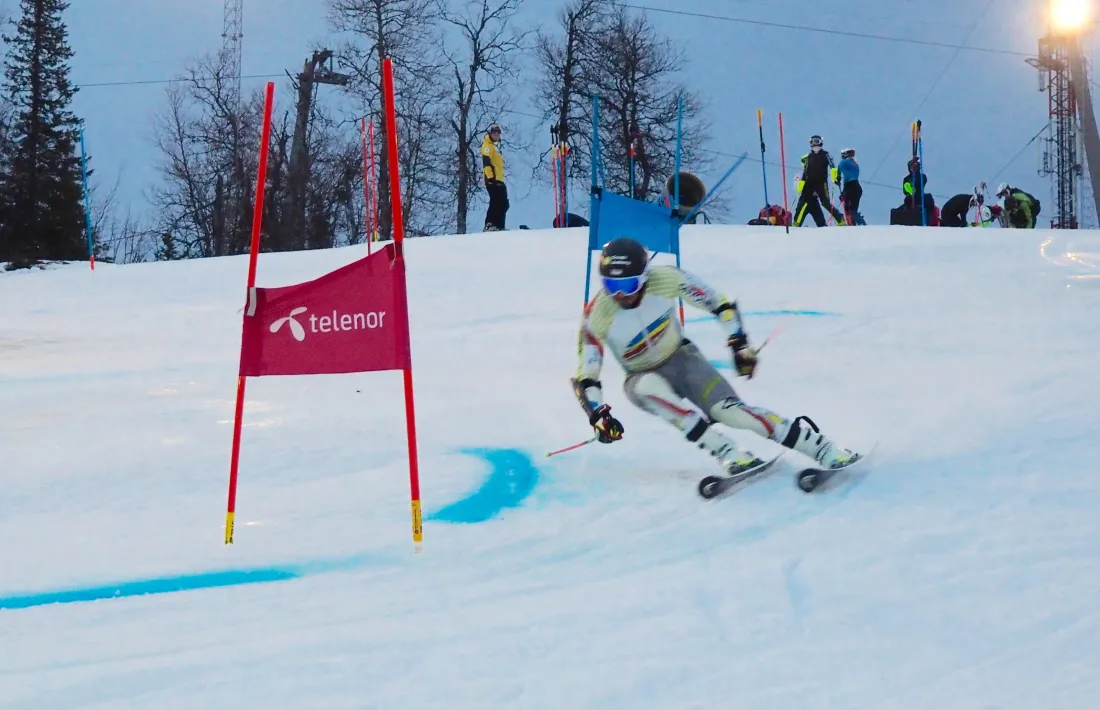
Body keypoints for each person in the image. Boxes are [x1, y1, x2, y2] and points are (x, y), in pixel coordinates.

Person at [570, 236, 862, 479]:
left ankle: (823, 448)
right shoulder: (598, 315)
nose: (620, 295)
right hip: (640, 376)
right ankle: (729, 454)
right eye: (611, 287)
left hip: (683, 360)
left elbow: (719, 303)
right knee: (651, 391)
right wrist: (598, 415)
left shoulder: (666, 279)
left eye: (629, 285)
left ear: (645, 278)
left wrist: (739, 346)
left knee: (732, 413)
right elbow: (587, 376)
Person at [793, 135, 846, 227]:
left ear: (821, 142)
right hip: (809, 184)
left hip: (821, 183)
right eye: (812, 142)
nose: (814, 144)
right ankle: (796, 223)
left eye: (816, 141)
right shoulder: (808, 157)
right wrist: (801, 184)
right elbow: (805, 172)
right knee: (802, 202)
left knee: (825, 202)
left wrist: (835, 178)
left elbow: (832, 167)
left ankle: (840, 219)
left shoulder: (826, 154)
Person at [481, 123, 509, 231]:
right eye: (494, 133)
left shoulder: (495, 147)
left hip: (500, 179)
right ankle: (490, 223)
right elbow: (486, 163)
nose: (496, 135)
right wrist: (490, 178)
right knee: (495, 201)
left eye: (498, 133)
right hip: (492, 180)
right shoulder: (487, 146)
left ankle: (499, 225)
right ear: (490, 134)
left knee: (504, 203)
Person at [836, 148, 866, 225]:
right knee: (853, 209)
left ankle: (857, 223)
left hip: (850, 186)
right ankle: (859, 222)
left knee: (849, 209)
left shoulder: (844, 162)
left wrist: (837, 178)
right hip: (857, 187)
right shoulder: (855, 163)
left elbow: (839, 169)